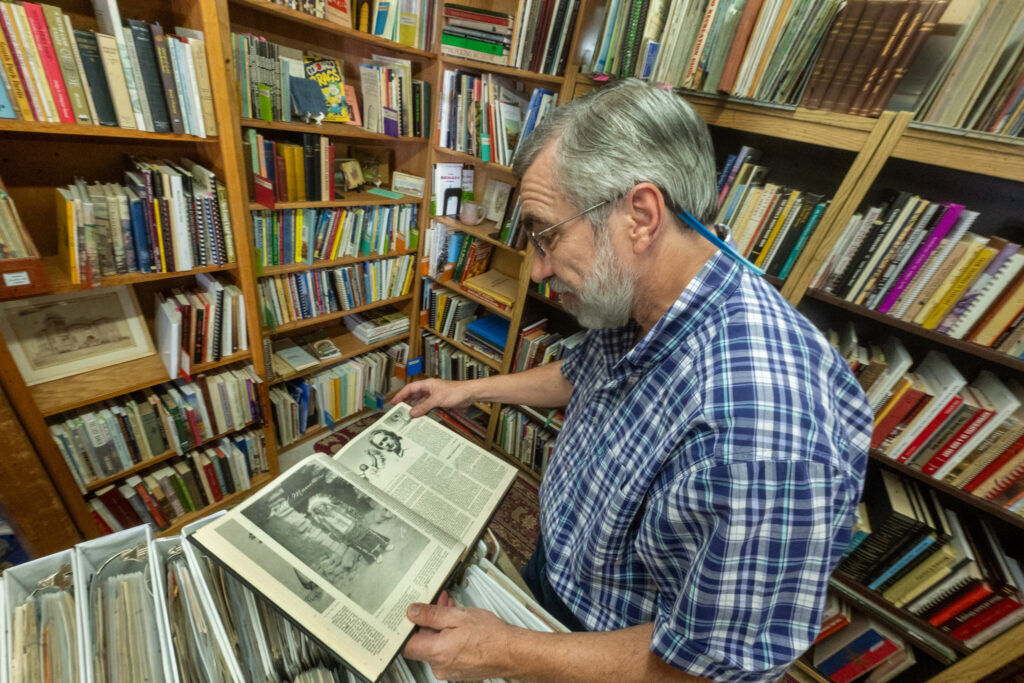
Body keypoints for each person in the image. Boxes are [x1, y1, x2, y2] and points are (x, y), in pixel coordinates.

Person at [394, 79, 872, 682]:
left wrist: (508, 650)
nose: (538, 269)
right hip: (568, 574)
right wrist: (465, 390)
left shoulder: (760, 431)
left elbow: (709, 669)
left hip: (617, 651)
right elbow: (582, 375)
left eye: (547, 234)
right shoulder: (644, 293)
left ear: (640, 216)